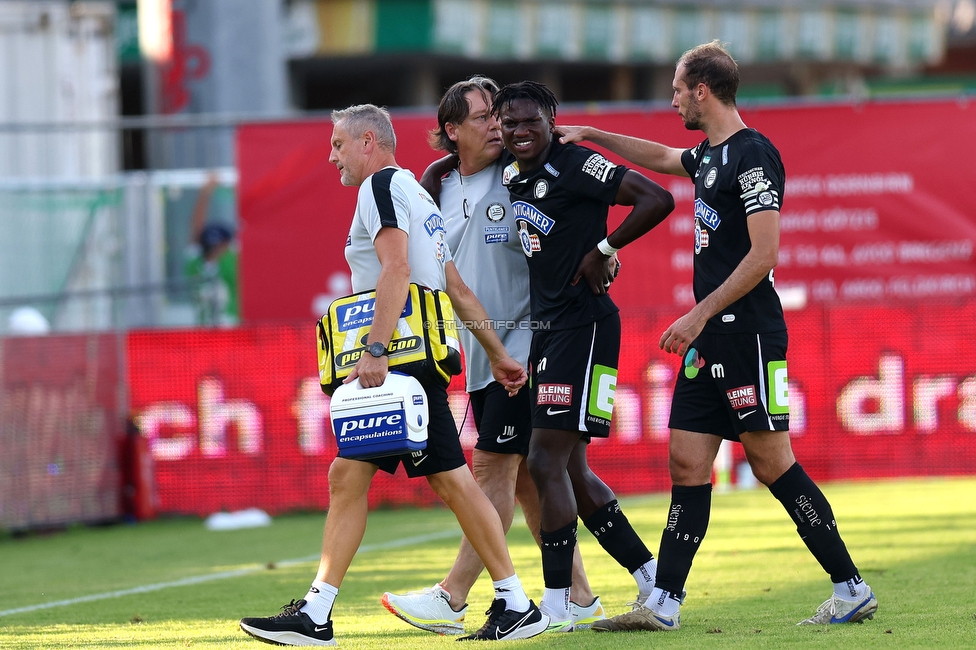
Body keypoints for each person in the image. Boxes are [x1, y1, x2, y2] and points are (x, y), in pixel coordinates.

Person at [558, 40, 878, 632]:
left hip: (748, 333)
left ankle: (850, 587)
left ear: (702, 90)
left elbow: (764, 256)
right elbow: (658, 156)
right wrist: (594, 135)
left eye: (678, 88)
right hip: (712, 339)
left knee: (771, 462)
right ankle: (664, 605)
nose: (674, 97)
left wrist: (698, 314)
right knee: (686, 461)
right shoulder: (709, 154)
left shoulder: (753, 155)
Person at [239, 104, 549, 645]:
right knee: (355, 476)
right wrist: (496, 352)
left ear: (367, 140)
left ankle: (514, 601)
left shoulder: (379, 187)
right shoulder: (421, 195)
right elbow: (456, 288)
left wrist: (377, 347)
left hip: (399, 361)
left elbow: (397, 268)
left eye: (337, 145)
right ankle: (318, 610)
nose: (331, 156)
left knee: (451, 480)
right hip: (418, 357)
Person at [380, 76, 603, 636]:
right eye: (482, 117)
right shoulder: (437, 187)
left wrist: (602, 253)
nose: (497, 125)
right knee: (530, 477)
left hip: (526, 345)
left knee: (492, 468)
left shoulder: (521, 174)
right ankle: (580, 596)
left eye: (498, 115)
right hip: (481, 350)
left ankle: (453, 596)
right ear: (452, 130)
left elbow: (573, 210)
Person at [490, 81, 676, 631]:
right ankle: (651, 579)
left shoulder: (575, 164)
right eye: (509, 123)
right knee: (568, 467)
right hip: (550, 331)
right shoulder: (510, 171)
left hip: (586, 327)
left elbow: (658, 198)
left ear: (552, 120)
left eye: (530, 122)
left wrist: (605, 248)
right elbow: (456, 151)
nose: (519, 131)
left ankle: (556, 605)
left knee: (543, 462)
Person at [184, 173, 239, 326]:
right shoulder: (195, 263)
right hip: (204, 332)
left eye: (220, 244)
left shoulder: (233, 260)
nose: (216, 248)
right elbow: (196, 228)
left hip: (232, 327)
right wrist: (205, 193)